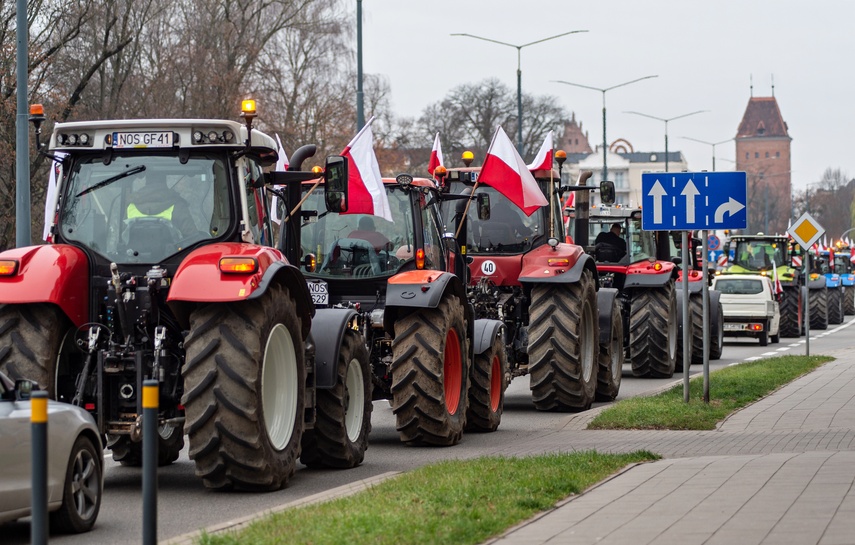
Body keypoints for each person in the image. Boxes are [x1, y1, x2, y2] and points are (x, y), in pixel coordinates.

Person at [126, 172, 198, 239]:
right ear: (164, 180)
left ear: (146, 180)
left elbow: (122, 237)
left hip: (133, 252)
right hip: (176, 253)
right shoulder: (177, 206)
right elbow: (192, 237)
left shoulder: (130, 206)